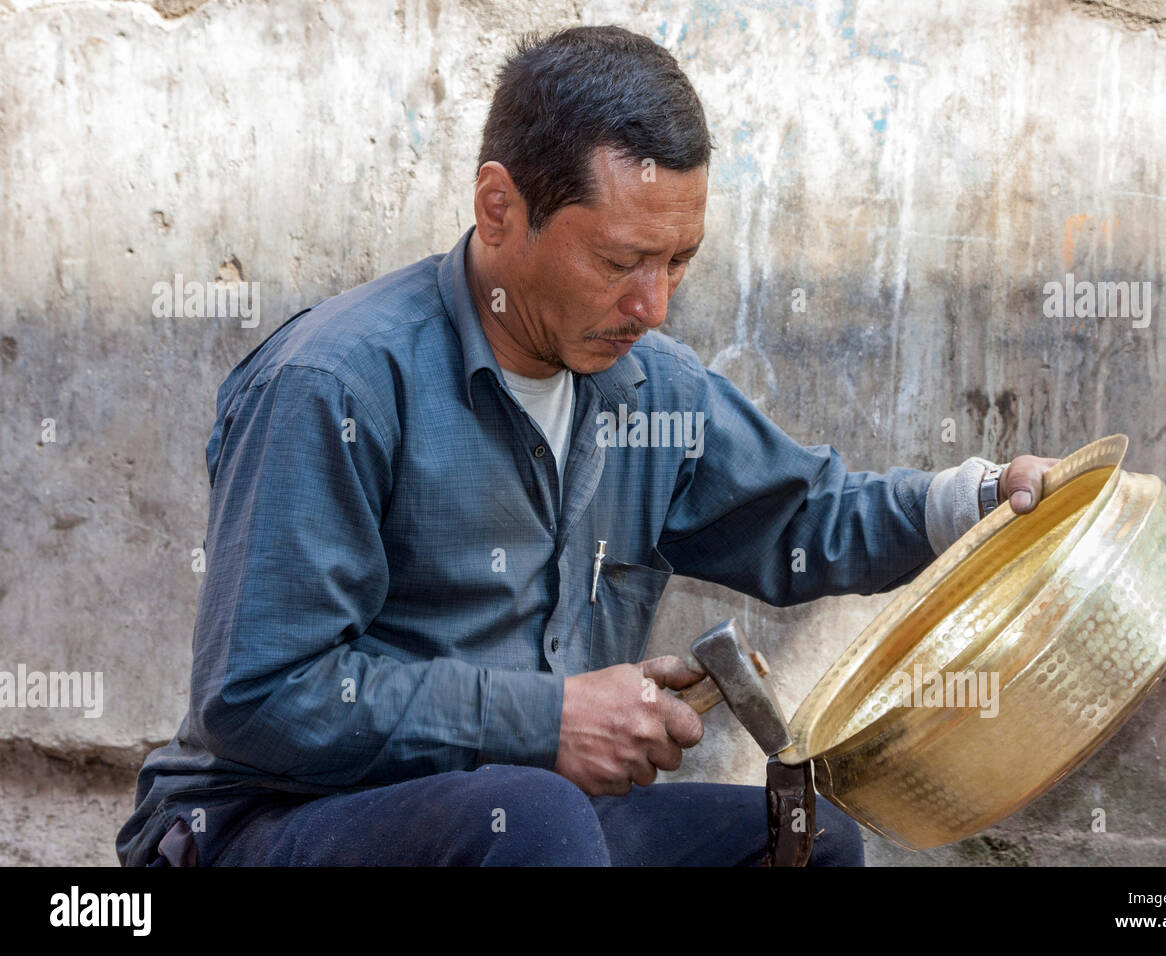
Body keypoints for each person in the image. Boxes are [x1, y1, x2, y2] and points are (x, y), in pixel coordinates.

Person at [117, 24, 1058, 867]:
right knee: (530, 816)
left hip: (529, 825)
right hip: (269, 825)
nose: (653, 306)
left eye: (678, 261)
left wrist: (980, 502)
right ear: (499, 209)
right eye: (618, 263)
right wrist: (551, 720)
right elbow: (264, 695)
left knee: (804, 843)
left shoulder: (652, 388)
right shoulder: (337, 385)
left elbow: (804, 518)